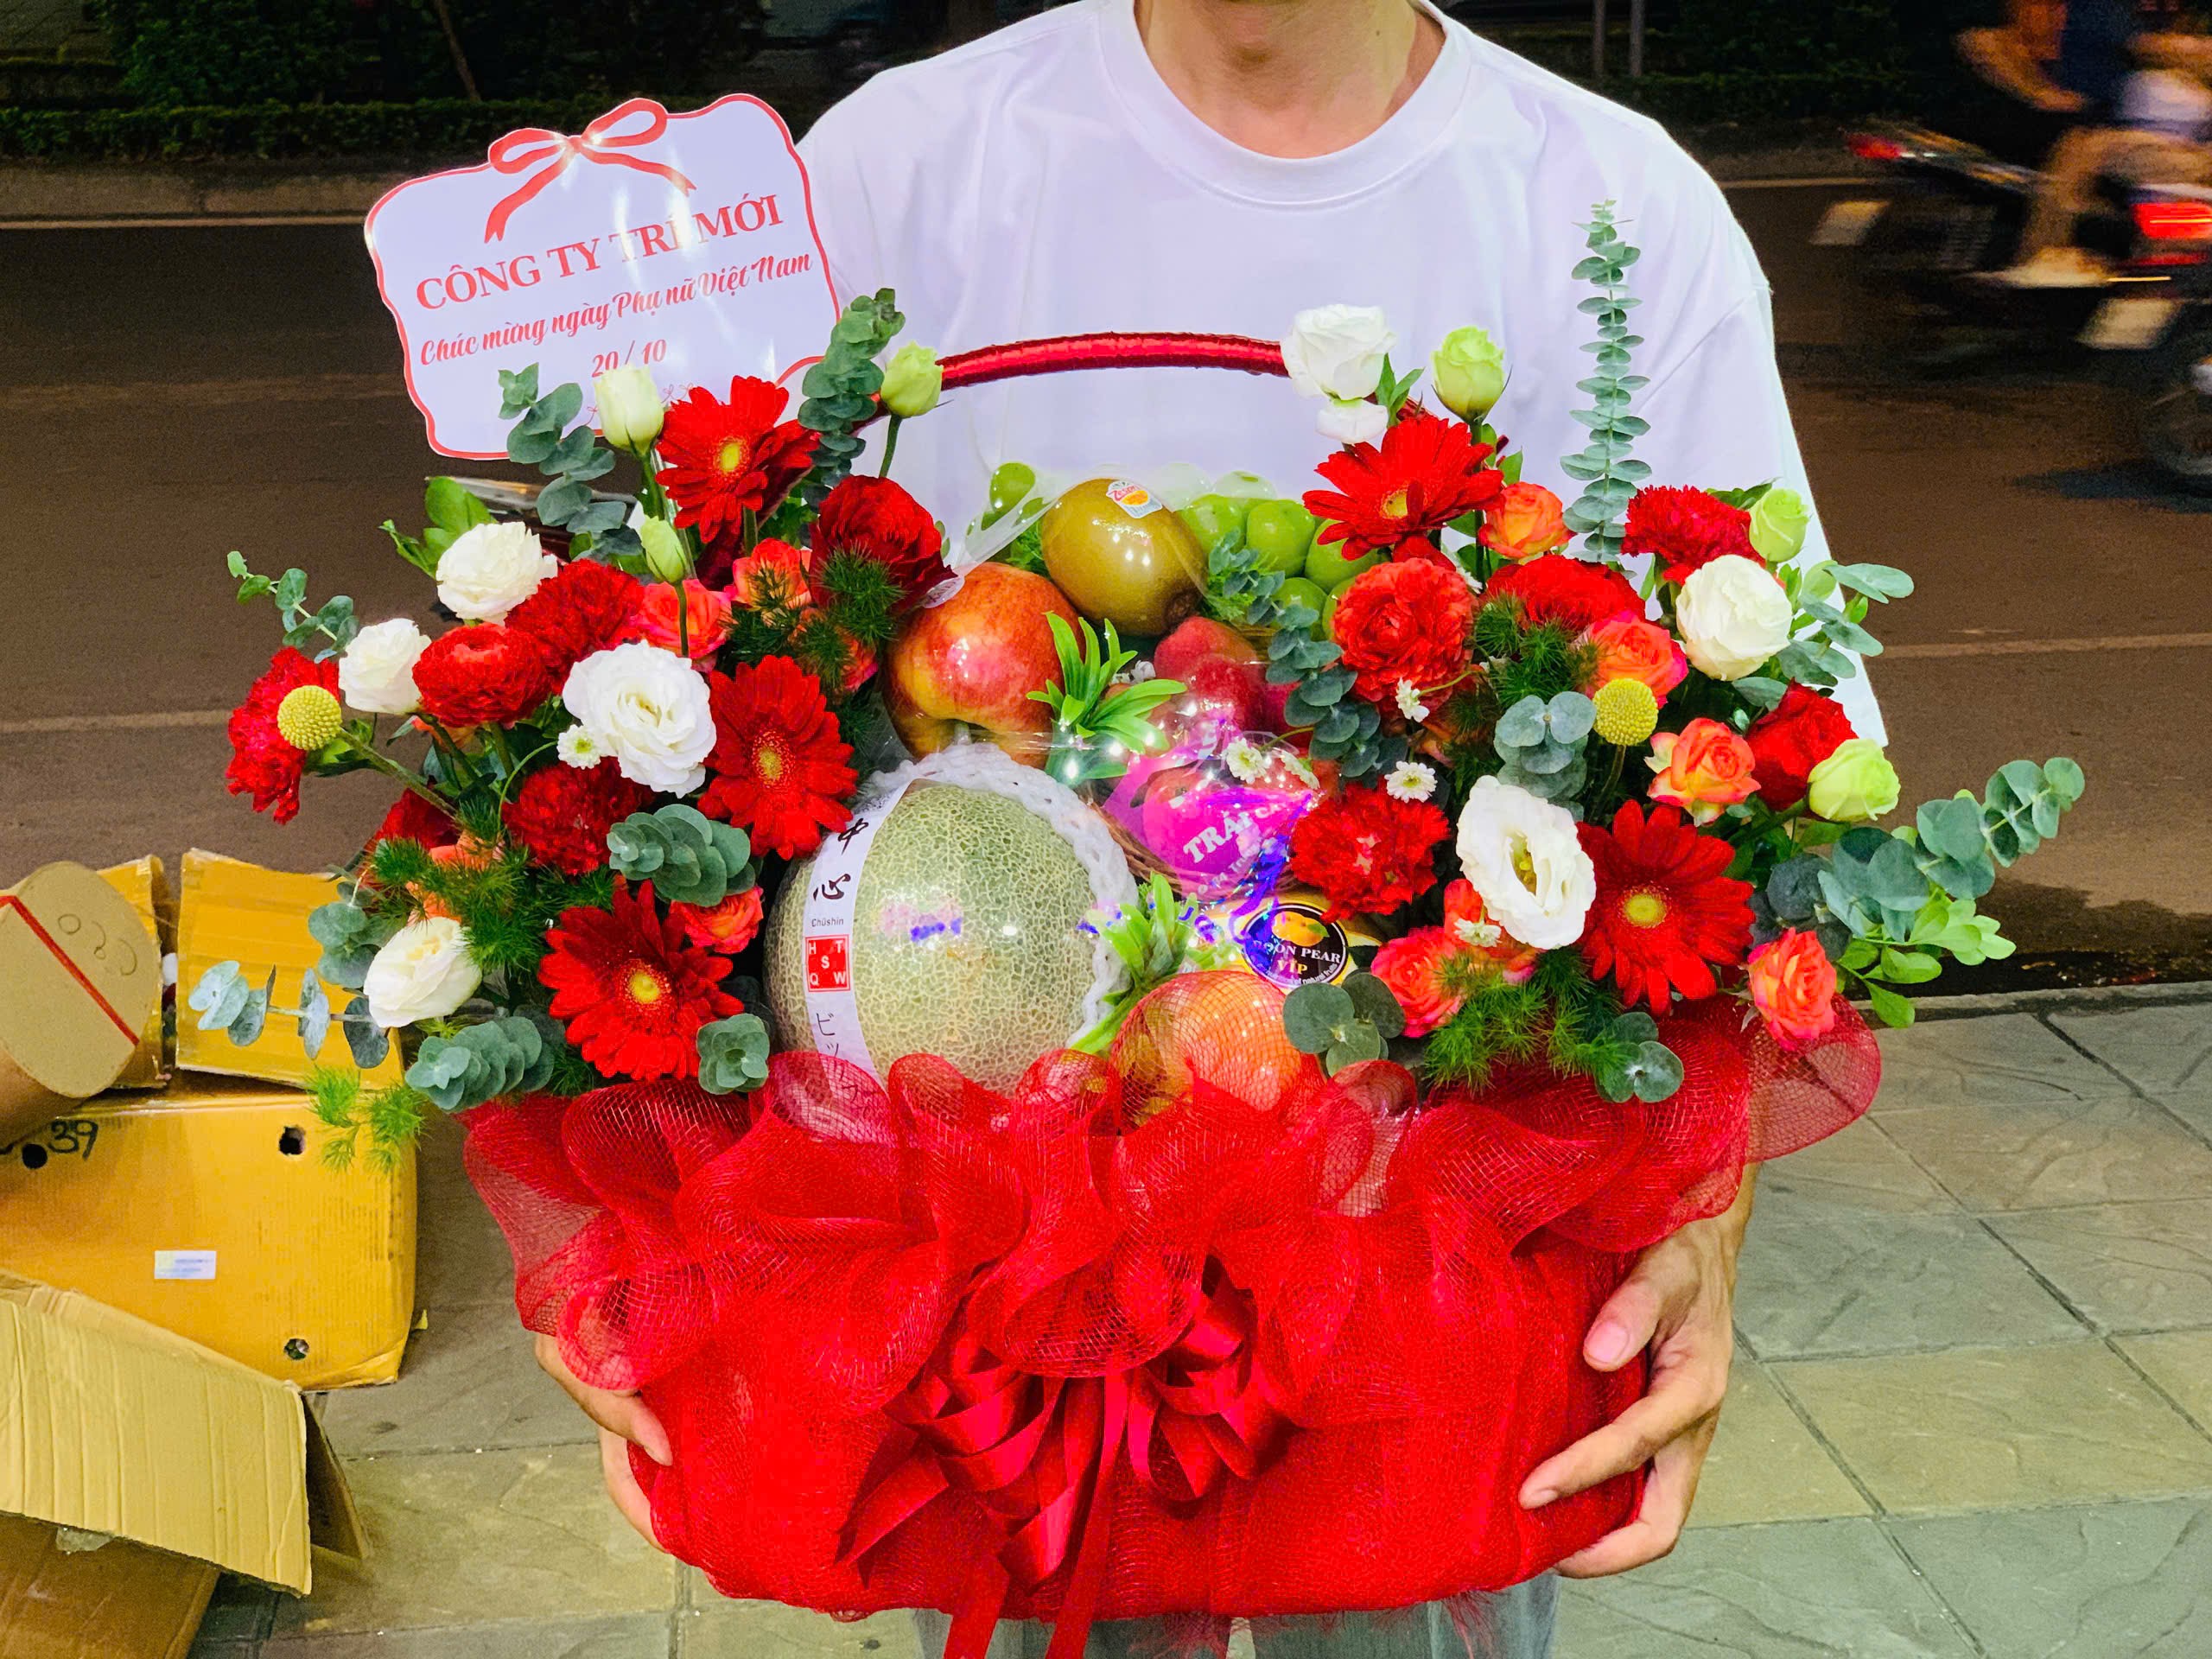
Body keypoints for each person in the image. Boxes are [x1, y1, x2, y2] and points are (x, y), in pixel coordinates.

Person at [540, 1, 1875, 1652]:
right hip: (1005, 1318)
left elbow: (1760, 810)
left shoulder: (1611, 210)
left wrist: (1704, 1233)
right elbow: (659, 715)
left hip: (1426, 1299)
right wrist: (616, 1223)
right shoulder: (899, 171)